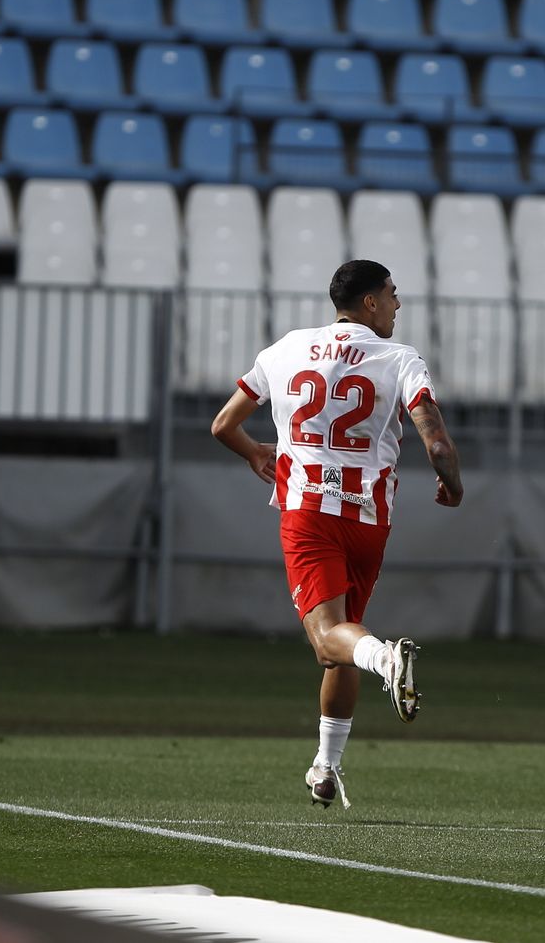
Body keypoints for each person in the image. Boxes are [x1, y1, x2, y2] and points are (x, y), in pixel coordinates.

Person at [210, 259, 464, 809]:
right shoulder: (400, 359)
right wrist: (453, 487)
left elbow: (222, 424)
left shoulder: (286, 349)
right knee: (340, 643)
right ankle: (326, 765)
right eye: (393, 294)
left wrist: (255, 451)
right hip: (369, 519)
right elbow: (437, 442)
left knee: (335, 639)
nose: (398, 304)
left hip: (308, 512)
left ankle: (388, 661)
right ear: (370, 302)